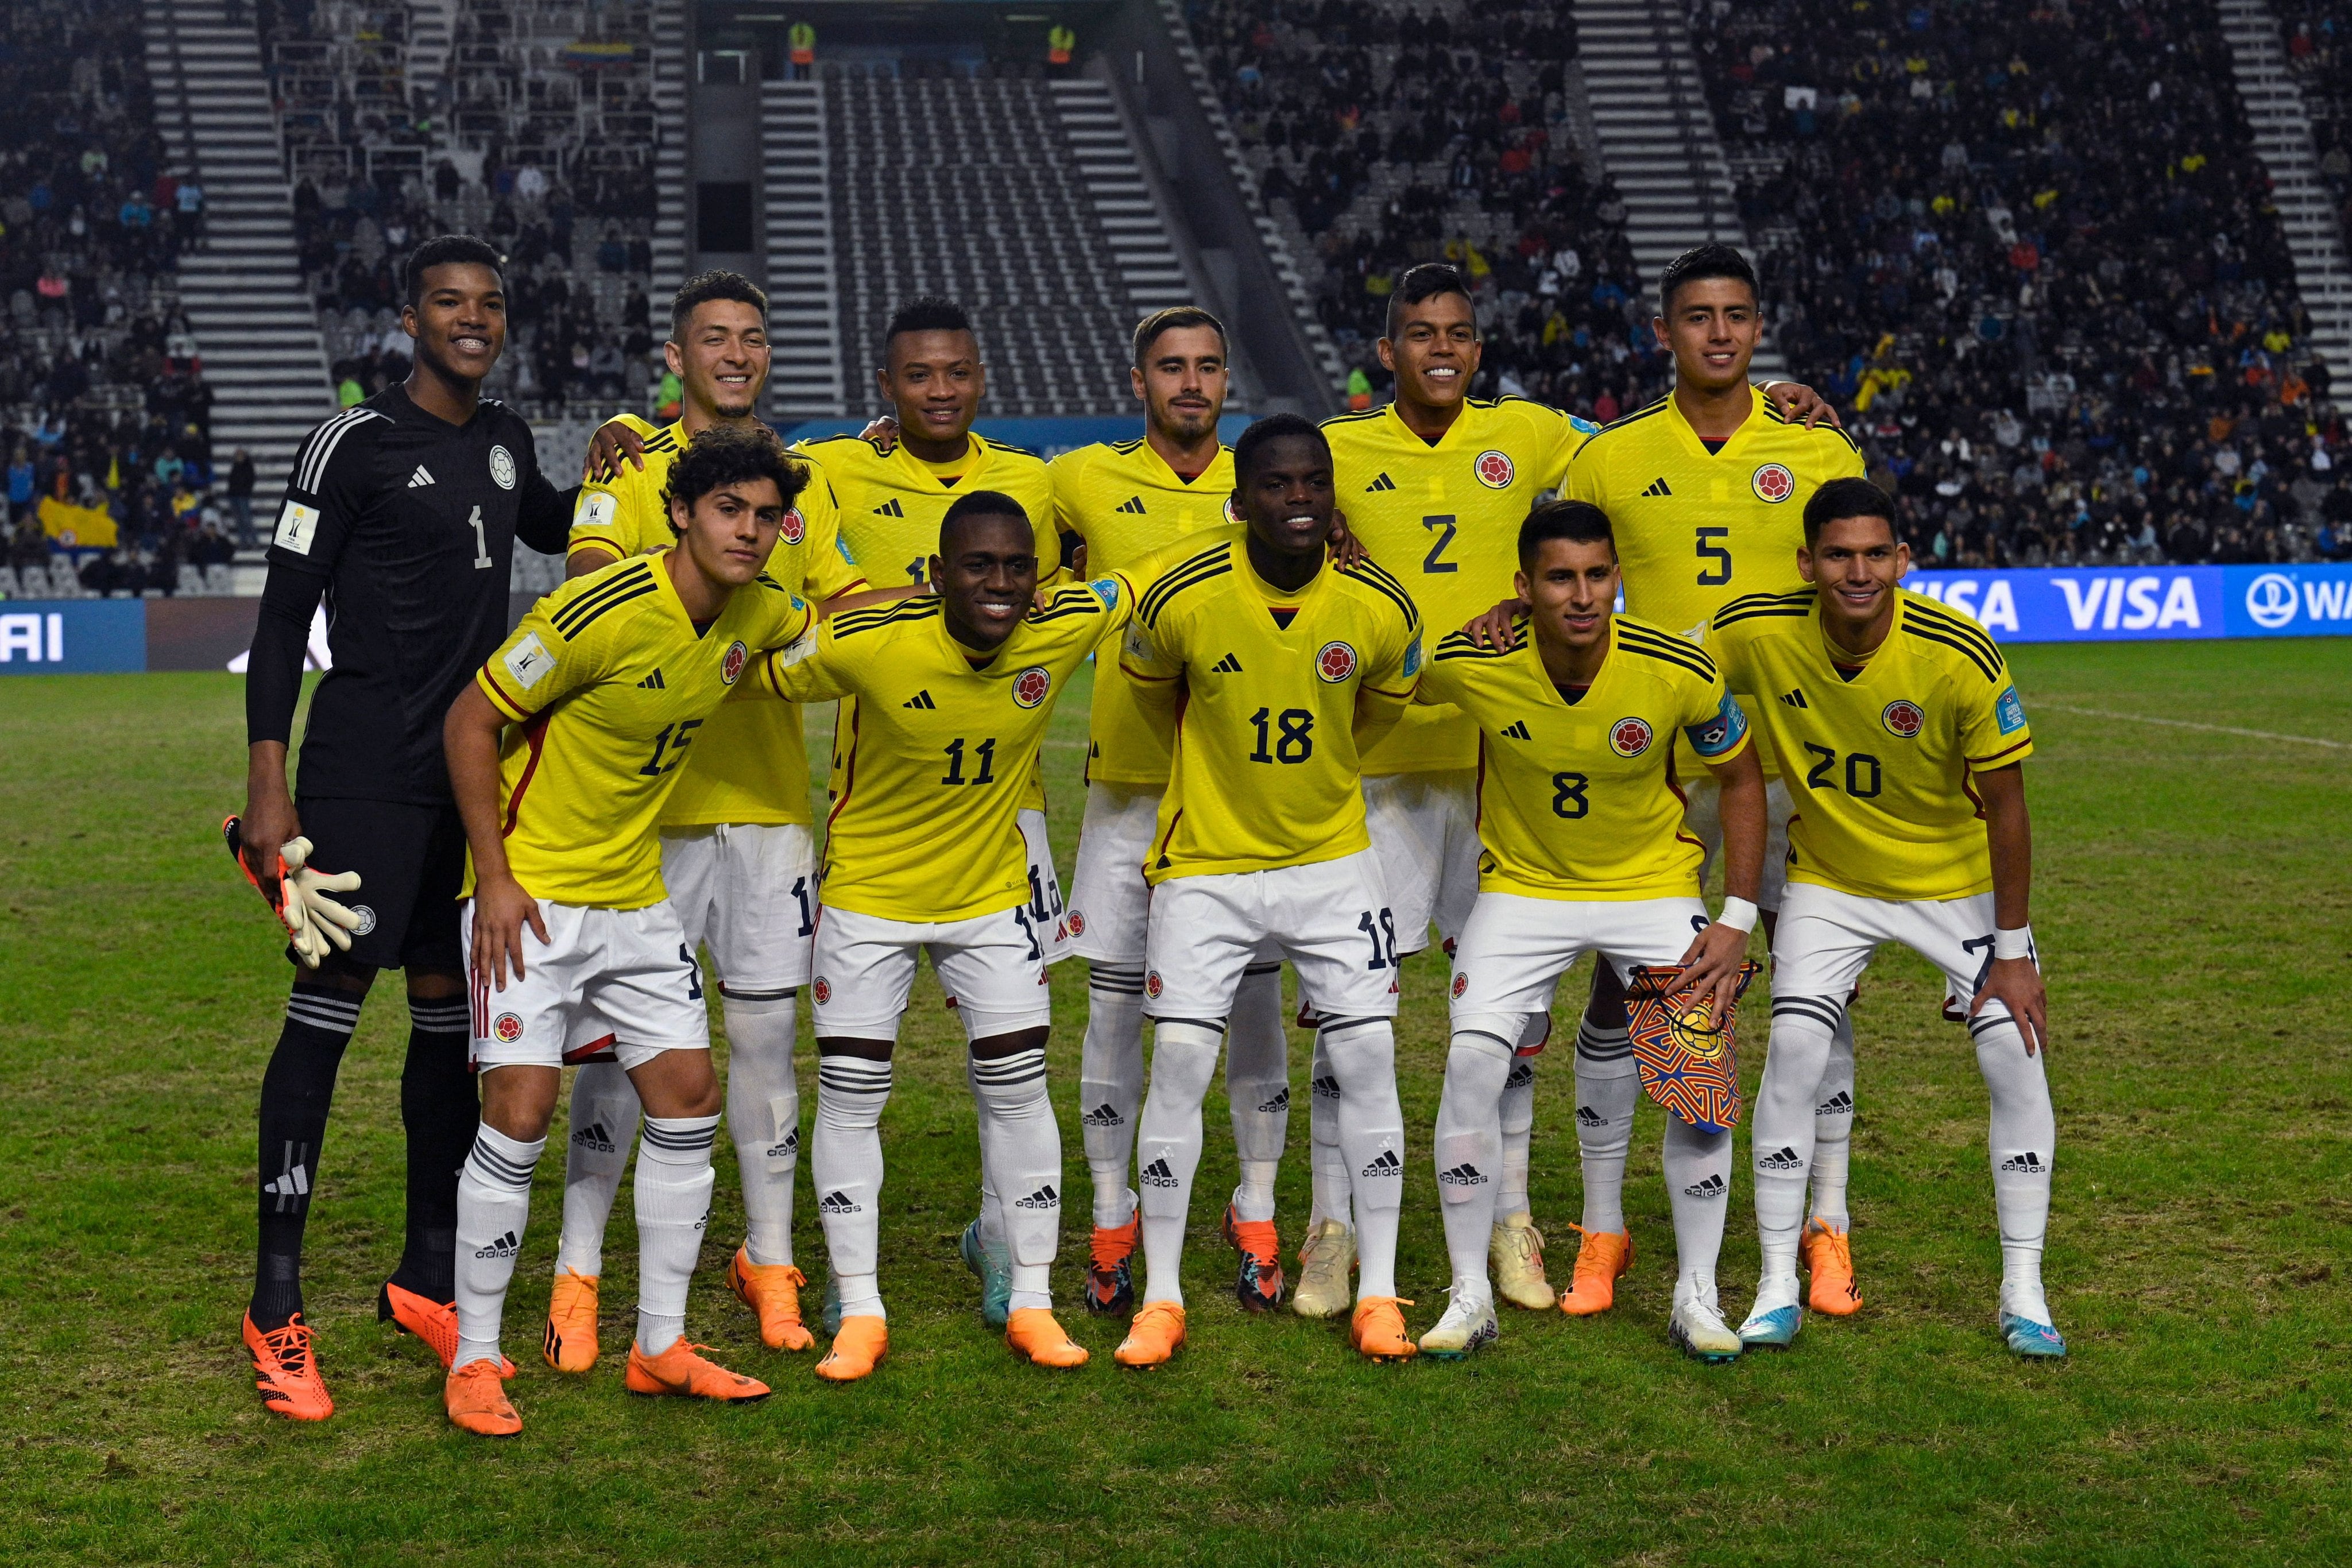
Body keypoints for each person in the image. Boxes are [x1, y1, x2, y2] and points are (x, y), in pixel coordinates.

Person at [1483, 242, 1868, 1319]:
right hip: (1645, 755)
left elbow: (1856, 557)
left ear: (1757, 327)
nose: (1718, 334)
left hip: (1786, 755)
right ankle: (1602, 1229)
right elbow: (1560, 564)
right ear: (1665, 331)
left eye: (1736, 315)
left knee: (1816, 984)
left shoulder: (1810, 441)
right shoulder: (1608, 459)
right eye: (1697, 316)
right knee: (1628, 986)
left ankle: (1823, 1225)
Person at [233, 235, 575, 1422]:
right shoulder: (352, 444)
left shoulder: (504, 437)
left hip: (465, 785)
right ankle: (276, 1304)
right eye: (448, 302)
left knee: (448, 1031)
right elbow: (280, 623)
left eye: (488, 304)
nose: (472, 320)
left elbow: (555, 527)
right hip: (361, 775)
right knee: (323, 1026)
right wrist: (269, 785)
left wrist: (643, 469)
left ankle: (427, 1276)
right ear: (408, 315)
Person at [438, 424, 820, 1435]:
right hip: (534, 898)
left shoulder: (758, 611)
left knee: (687, 1098)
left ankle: (659, 1342)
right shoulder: (594, 610)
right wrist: (495, 877)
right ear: (684, 513)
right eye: (728, 510)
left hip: (634, 899)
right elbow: (471, 721)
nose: (748, 530)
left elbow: (836, 615)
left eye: (767, 515)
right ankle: (475, 1360)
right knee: (519, 1114)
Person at [543, 272, 871, 1372]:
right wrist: (750, 626)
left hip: (770, 807)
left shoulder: (796, 483)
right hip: (646, 819)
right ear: (676, 357)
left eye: (754, 340)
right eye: (715, 340)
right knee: (614, 1054)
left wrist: (770, 646)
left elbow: (855, 609)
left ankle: (770, 1261)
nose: (737, 355)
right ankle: (578, 1275)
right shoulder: (627, 461)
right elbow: (595, 586)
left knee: (767, 1046)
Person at [749, 490, 1133, 1382]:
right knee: (850, 1096)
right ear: (936, 574)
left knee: (1018, 1088)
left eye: (1016, 566)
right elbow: (754, 663)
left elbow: (1151, 577)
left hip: (989, 900)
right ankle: (861, 1305)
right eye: (978, 565)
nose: (1000, 583)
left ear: (1040, 579)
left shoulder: (1061, 619)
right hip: (868, 902)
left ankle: (1032, 1299)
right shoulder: (871, 640)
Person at [1708, 478, 2059, 1358]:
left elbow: (2008, 808)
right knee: (1792, 1049)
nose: (1857, 571)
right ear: (1807, 562)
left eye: (1875, 553)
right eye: (1838, 554)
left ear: (1902, 558)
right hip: (1832, 879)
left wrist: (2013, 951)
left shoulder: (1957, 653)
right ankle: (1778, 1283)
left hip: (1956, 882)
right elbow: (1650, 658)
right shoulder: (1756, 627)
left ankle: (2025, 1288)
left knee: (2012, 1053)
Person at [1413, 500, 1764, 1361]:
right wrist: (1471, 625)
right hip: (1524, 889)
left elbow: (1744, 778)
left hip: (1651, 887)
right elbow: (1403, 675)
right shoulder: (1476, 659)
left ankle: (1697, 1293)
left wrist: (1736, 917)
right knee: (1470, 1062)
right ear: (1525, 586)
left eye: (1597, 575)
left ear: (1617, 578)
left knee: (1698, 1078)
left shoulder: (1676, 666)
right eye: (1560, 577)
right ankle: (1467, 1294)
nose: (1581, 594)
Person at [1112, 415, 1423, 1367]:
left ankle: (1378, 1291)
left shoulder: (1380, 607)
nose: (1299, 501)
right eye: (1279, 486)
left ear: (1334, 493)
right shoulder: (1181, 597)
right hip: (1206, 868)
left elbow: (1374, 712)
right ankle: (1161, 1296)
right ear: (1240, 501)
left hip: (1333, 861)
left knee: (1368, 1057)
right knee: (1176, 1066)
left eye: (1314, 484)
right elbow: (1149, 690)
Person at [1049, 307, 1295, 1317]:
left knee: (1250, 1009)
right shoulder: (1076, 478)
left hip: (1246, 803)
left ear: (1227, 379)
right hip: (1128, 794)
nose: (1191, 384)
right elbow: (965, 492)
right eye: (1171, 368)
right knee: (1113, 1010)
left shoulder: (1271, 486)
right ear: (1138, 379)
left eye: (1208, 366)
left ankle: (1258, 1204)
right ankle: (1110, 1213)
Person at [226, 448, 257, 543]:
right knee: (239, 520)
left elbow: (250, 481)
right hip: (234, 496)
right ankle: (243, 540)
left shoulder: (248, 468)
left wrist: (246, 492)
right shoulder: (235, 466)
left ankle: (254, 540)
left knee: (246, 519)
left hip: (243, 496)